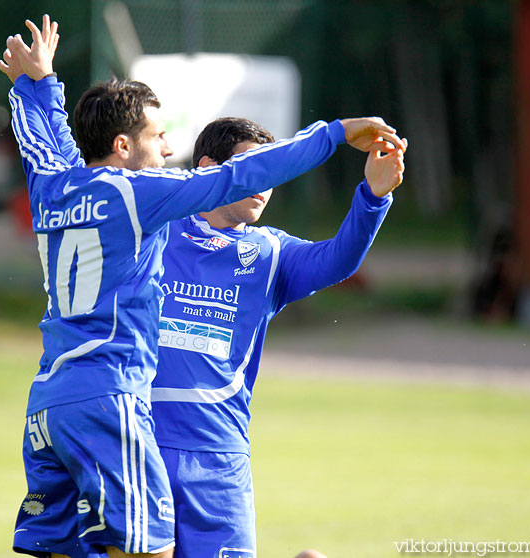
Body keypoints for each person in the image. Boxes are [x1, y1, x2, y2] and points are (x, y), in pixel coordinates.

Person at [0, 14, 406, 558]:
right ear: (124, 146)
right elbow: (238, 176)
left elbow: (45, 142)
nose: (167, 150)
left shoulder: (57, 186)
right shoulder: (150, 211)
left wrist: (37, 86)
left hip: (94, 414)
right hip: (119, 410)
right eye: (158, 137)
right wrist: (334, 133)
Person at [150, 118, 404, 558]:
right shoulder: (154, 232)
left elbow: (338, 260)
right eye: (257, 170)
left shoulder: (270, 254)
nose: (265, 186)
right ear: (211, 167)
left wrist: (373, 196)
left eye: (274, 175)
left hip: (219, 461)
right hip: (139, 446)